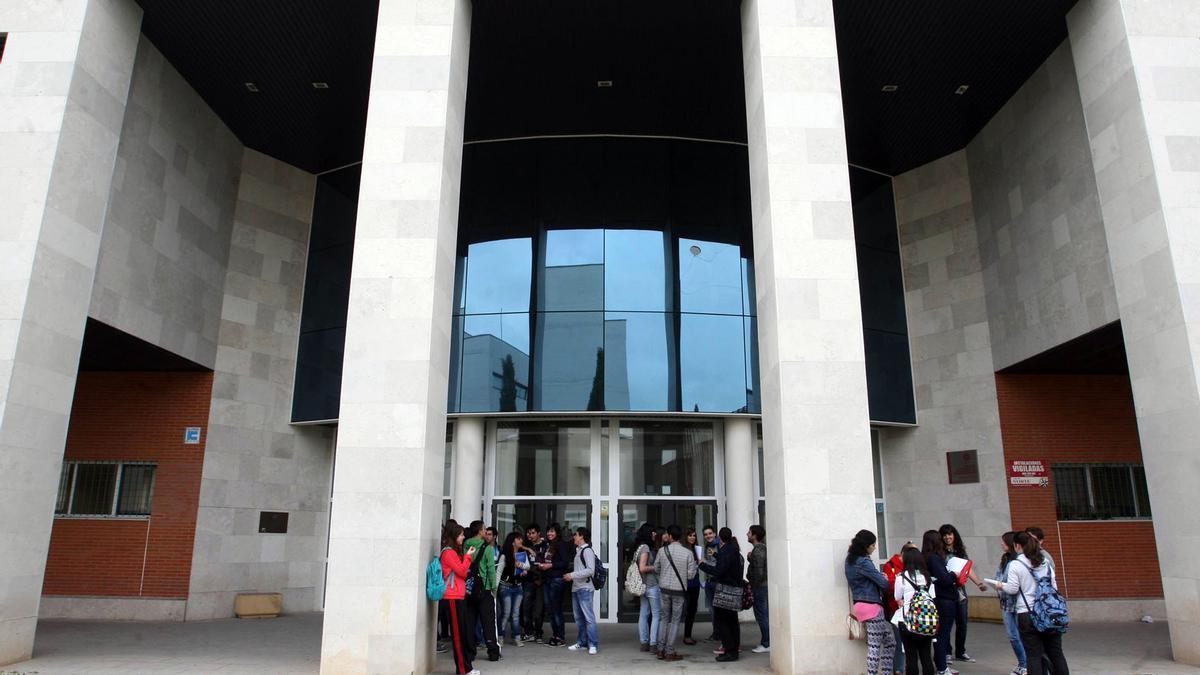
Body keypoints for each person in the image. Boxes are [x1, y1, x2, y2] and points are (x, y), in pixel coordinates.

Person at [1002, 531, 1069, 675]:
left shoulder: (1016, 564)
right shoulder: (1045, 562)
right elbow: (1054, 587)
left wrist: (1000, 585)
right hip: (1050, 612)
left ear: (1017, 545)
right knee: (1056, 653)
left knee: (1034, 655)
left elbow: (1013, 589)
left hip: (1027, 613)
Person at [846, 529, 895, 675]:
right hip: (872, 606)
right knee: (874, 645)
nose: (874, 547)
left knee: (890, 641)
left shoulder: (850, 560)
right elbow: (884, 584)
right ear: (866, 546)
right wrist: (884, 578)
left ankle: (886, 672)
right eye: (873, 545)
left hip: (860, 605)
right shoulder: (864, 562)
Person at [939, 524, 987, 664]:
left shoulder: (960, 551)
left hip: (960, 591)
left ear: (954, 536)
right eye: (945, 534)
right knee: (946, 623)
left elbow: (968, 569)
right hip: (946, 590)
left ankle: (961, 651)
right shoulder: (939, 553)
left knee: (962, 622)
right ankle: (947, 652)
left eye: (950, 534)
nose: (948, 537)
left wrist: (978, 583)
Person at [440, 522, 479, 675]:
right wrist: (468, 557)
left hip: (457, 596)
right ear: (454, 535)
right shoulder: (449, 553)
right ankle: (463, 670)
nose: (463, 537)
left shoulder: (452, 552)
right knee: (458, 636)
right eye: (461, 534)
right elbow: (462, 572)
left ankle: (466, 668)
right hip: (453, 597)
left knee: (462, 634)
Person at [654, 524, 697, 661]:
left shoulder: (662, 551)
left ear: (670, 536)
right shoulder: (688, 553)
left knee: (664, 618)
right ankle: (670, 651)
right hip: (679, 590)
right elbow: (690, 575)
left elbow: (656, 568)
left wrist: (665, 575)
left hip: (664, 589)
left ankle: (660, 649)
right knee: (675, 620)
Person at [699, 527, 743, 662]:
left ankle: (729, 651)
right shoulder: (733, 549)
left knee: (723, 621)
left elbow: (719, 571)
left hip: (725, 590)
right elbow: (727, 563)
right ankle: (734, 649)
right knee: (733, 621)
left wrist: (702, 566)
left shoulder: (725, 551)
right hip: (735, 589)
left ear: (720, 538)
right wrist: (716, 555)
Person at [893, 547, 936, 675]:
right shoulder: (928, 577)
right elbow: (932, 597)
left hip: (907, 621)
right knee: (926, 657)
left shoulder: (901, 578)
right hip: (926, 620)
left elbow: (897, 597)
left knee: (911, 659)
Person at [922, 530, 958, 675]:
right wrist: (953, 575)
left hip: (937, 598)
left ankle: (942, 666)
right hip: (944, 599)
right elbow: (945, 579)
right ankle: (942, 667)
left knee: (939, 634)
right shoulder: (934, 558)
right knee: (942, 635)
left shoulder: (925, 557)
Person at [464, 521, 500, 661]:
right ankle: (493, 652)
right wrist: (493, 588)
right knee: (488, 622)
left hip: (468, 588)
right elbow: (491, 570)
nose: (486, 531)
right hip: (484, 589)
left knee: (470, 622)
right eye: (484, 529)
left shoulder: (465, 545)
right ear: (479, 531)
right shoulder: (488, 548)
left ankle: (470, 652)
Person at [883, 542, 918, 675]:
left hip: (914, 610)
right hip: (896, 609)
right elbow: (890, 586)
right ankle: (899, 669)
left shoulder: (915, 567)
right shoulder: (890, 565)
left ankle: (908, 668)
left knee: (912, 643)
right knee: (900, 642)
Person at [995, 532, 1028, 675]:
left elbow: (1013, 585)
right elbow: (999, 576)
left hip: (1017, 603)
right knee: (1013, 636)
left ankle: (1026, 664)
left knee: (1022, 635)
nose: (1002, 544)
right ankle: (1022, 663)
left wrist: (1001, 585)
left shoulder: (1018, 561)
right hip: (1006, 603)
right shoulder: (1005, 559)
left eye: (1003, 542)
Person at [564, 526, 600, 654]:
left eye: (576, 535)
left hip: (585, 588)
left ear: (582, 537)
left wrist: (572, 575)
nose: (574, 537)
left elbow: (590, 570)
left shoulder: (587, 551)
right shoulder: (578, 550)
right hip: (577, 588)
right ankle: (582, 642)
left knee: (589, 618)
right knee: (579, 618)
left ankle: (593, 644)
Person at [632, 523, 662, 653]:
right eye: (653, 532)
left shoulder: (640, 547)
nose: (655, 534)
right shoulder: (645, 548)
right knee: (656, 615)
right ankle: (653, 643)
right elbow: (642, 568)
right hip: (650, 585)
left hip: (644, 586)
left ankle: (644, 643)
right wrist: (656, 567)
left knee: (644, 614)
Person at [540, 522, 571, 647]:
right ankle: (555, 635)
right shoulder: (548, 545)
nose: (549, 533)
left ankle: (560, 637)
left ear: (557, 533)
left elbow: (565, 562)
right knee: (550, 609)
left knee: (556, 609)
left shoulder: (561, 545)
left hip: (557, 580)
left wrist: (550, 565)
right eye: (548, 531)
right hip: (547, 580)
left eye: (552, 531)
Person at [496, 532, 529, 646]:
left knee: (515, 613)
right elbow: (498, 572)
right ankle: (500, 636)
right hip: (505, 586)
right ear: (513, 541)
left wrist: (522, 566)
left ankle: (517, 637)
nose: (521, 541)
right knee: (506, 612)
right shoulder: (505, 555)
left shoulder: (522, 554)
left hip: (518, 586)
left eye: (521, 539)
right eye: (519, 539)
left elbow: (528, 566)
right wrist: (495, 589)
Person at [519, 523, 547, 643]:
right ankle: (528, 632)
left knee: (539, 609)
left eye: (533, 533)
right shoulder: (525, 544)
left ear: (538, 533)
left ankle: (538, 633)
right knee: (526, 607)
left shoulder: (546, 545)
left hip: (541, 580)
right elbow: (516, 546)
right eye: (528, 533)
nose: (530, 535)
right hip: (528, 580)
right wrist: (528, 548)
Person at [746, 524, 770, 654]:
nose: (747, 534)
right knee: (762, 614)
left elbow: (759, 572)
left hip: (760, 587)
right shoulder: (758, 550)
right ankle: (766, 641)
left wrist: (753, 583)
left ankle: (766, 643)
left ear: (755, 535)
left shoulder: (759, 550)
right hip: (760, 586)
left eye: (749, 532)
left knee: (762, 615)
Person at [682, 527, 702, 645]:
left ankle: (687, 635)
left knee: (692, 610)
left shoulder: (696, 549)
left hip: (695, 583)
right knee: (680, 610)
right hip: (684, 583)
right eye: (690, 535)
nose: (692, 538)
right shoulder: (683, 550)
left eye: (694, 535)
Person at [701, 525, 721, 643]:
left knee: (717, 610)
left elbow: (718, 565)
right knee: (712, 610)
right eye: (705, 534)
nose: (708, 536)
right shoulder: (707, 546)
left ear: (714, 534)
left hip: (716, 582)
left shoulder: (718, 547)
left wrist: (704, 563)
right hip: (709, 581)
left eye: (710, 533)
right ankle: (716, 633)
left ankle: (719, 633)